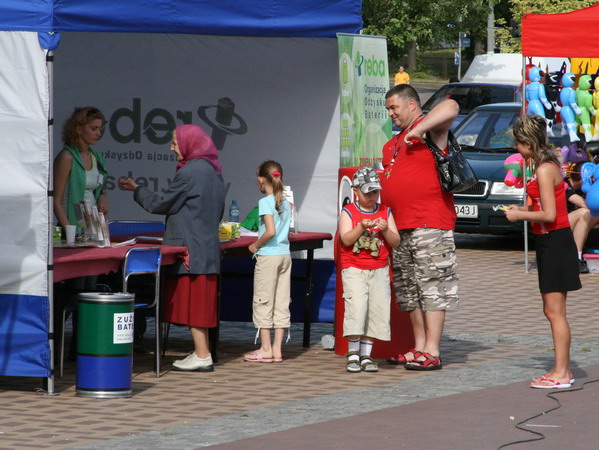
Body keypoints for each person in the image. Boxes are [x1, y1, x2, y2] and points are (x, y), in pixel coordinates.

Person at [119, 124, 225, 372]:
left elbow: (161, 204)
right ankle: (203, 351)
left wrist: (137, 189)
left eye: (175, 143)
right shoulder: (213, 171)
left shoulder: (189, 172)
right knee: (201, 303)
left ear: (190, 144)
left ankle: (202, 354)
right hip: (207, 246)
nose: (171, 148)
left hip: (190, 248)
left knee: (194, 303)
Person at [381, 84, 459, 371]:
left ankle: (433, 350)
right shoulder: (392, 143)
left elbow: (451, 106)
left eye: (394, 108)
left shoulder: (430, 133)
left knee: (433, 287)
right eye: (389, 109)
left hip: (430, 222)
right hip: (399, 228)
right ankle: (419, 347)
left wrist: (419, 128)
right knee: (409, 291)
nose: (391, 114)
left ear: (412, 105)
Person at [505, 114, 581, 389]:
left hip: (555, 240)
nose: (516, 149)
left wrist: (519, 217)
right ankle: (561, 369)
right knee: (552, 311)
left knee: (555, 312)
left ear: (527, 143)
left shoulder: (544, 169)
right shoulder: (542, 166)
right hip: (549, 240)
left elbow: (549, 214)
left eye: (518, 144)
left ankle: (562, 373)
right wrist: (519, 210)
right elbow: (546, 207)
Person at [338, 167, 400, 373]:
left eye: (375, 192)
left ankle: (366, 355)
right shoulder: (348, 211)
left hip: (379, 268)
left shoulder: (385, 211)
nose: (372, 196)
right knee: (357, 308)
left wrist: (385, 229)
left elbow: (396, 241)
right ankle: (353, 353)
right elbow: (346, 240)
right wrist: (361, 227)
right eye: (367, 192)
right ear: (355, 191)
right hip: (354, 267)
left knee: (377, 309)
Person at [243, 160, 292, 363]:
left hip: (269, 255)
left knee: (263, 300)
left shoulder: (265, 202)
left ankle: (265, 348)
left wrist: (255, 245)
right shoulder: (286, 202)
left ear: (262, 180)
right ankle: (277, 349)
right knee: (281, 302)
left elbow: (270, 231)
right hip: (285, 254)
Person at [54, 106, 109, 229]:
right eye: (94, 129)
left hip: (93, 226)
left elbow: (99, 186)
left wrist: (102, 197)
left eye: (100, 129)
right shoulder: (67, 158)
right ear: (79, 129)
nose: (99, 133)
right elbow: (56, 201)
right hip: (72, 226)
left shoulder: (96, 157)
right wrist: (70, 231)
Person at [565, 163, 599, 273]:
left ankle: (577, 256)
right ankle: (576, 258)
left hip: (576, 222)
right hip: (561, 223)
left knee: (591, 214)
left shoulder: (583, 189)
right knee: (586, 212)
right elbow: (583, 203)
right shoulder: (565, 185)